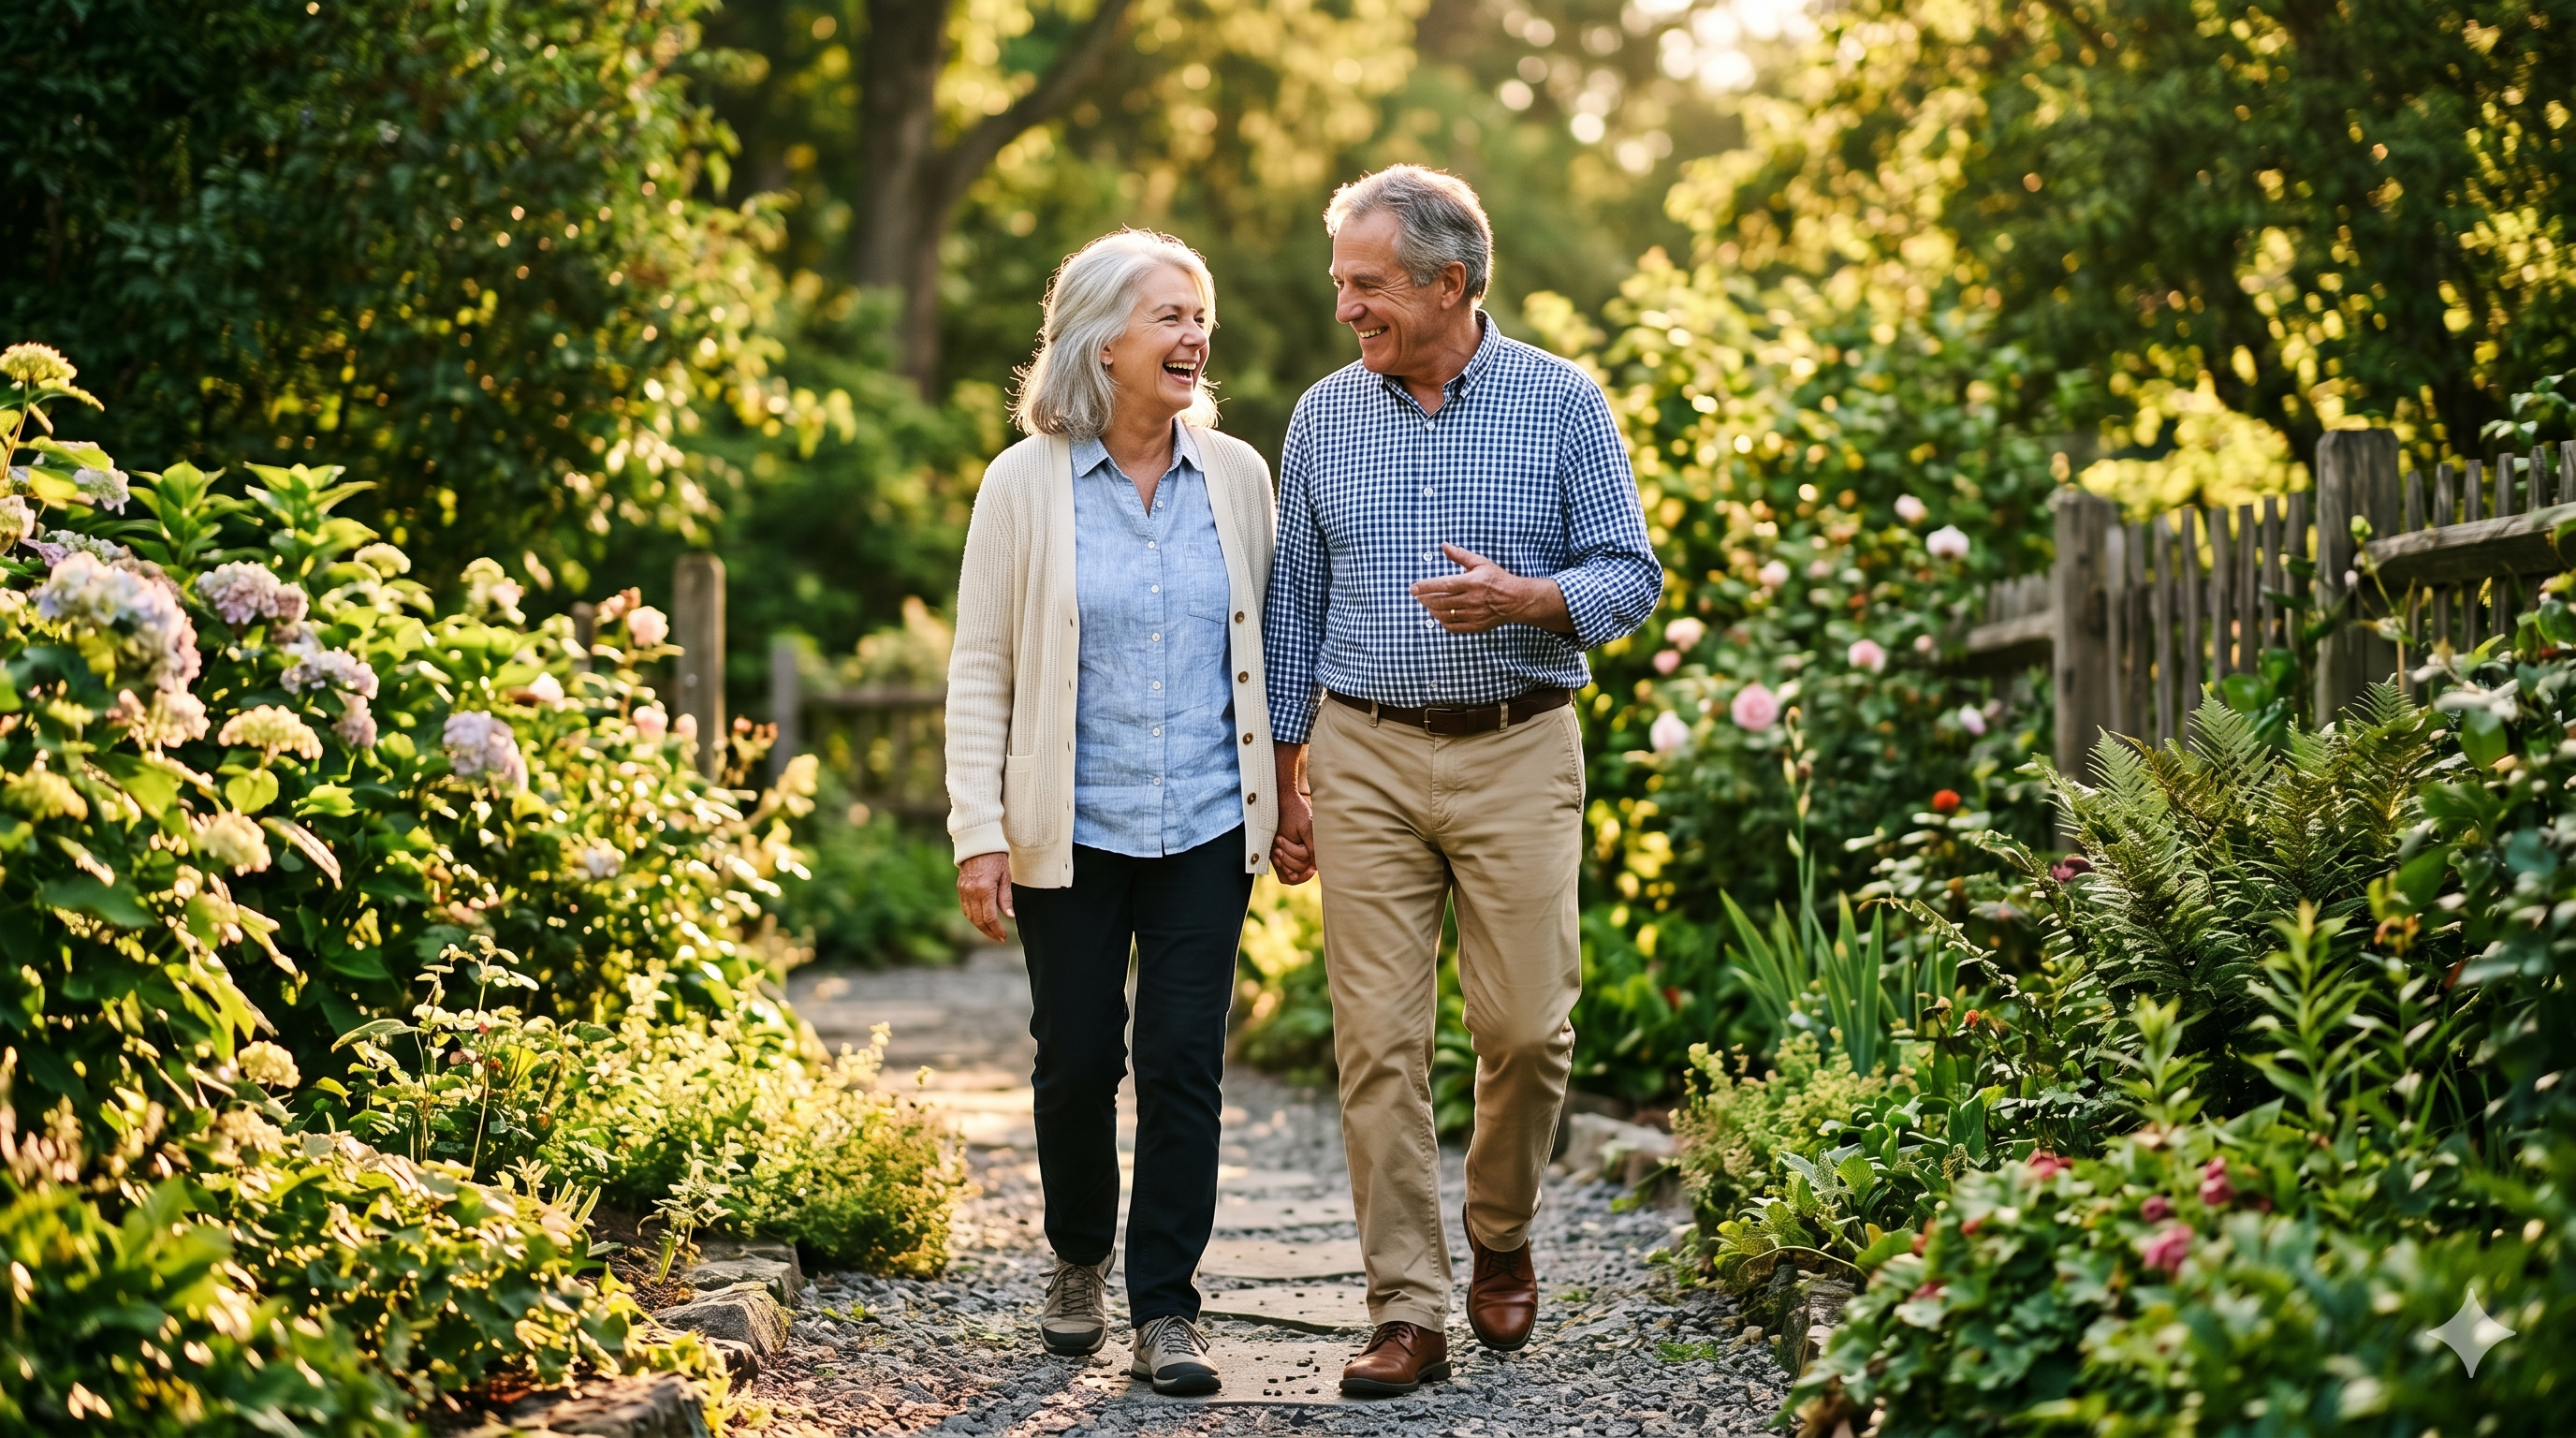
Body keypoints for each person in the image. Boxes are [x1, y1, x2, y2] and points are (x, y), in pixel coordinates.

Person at [1262, 167, 1661, 1398]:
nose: (1348, 311)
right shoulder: (1325, 416)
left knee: (1528, 1029)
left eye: (1368, 286)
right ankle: (1408, 1311)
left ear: (1449, 283)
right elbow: (1292, 608)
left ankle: (1499, 1228)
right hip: (1367, 749)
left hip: (1519, 741)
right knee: (1378, 1043)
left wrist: (1531, 599)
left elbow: (1630, 578)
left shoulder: (1561, 403)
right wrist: (1288, 775)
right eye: (1342, 284)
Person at [944, 229, 1281, 1397]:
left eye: (1202, 319)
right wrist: (976, 829)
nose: (1195, 338)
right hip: (1070, 829)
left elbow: (1268, 655)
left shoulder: (1236, 475)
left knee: (1183, 1060)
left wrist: (1292, 796)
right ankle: (1079, 1256)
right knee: (1077, 1060)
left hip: (1201, 824)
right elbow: (980, 667)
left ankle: (1166, 1308)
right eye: (1170, 318)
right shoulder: (1020, 484)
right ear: (1101, 339)